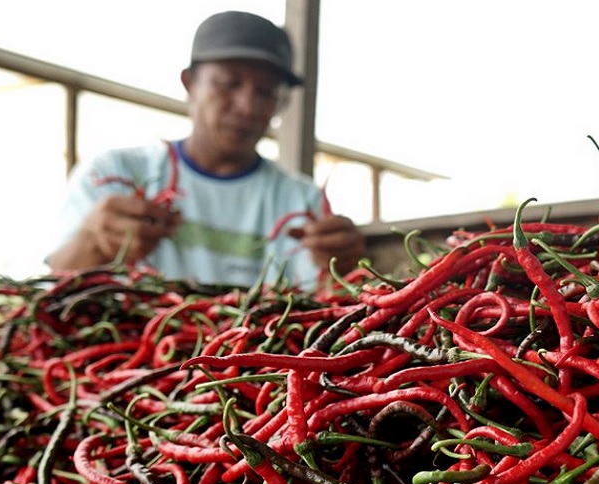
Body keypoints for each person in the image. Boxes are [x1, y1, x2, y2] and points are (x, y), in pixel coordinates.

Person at [47, 10, 364, 290]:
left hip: (251, 357)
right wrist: (94, 240)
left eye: (266, 93)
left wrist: (341, 267)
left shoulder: (301, 200)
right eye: (228, 83)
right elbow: (50, 291)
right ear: (190, 84)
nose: (247, 106)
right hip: (132, 356)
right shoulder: (114, 174)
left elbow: (320, 304)